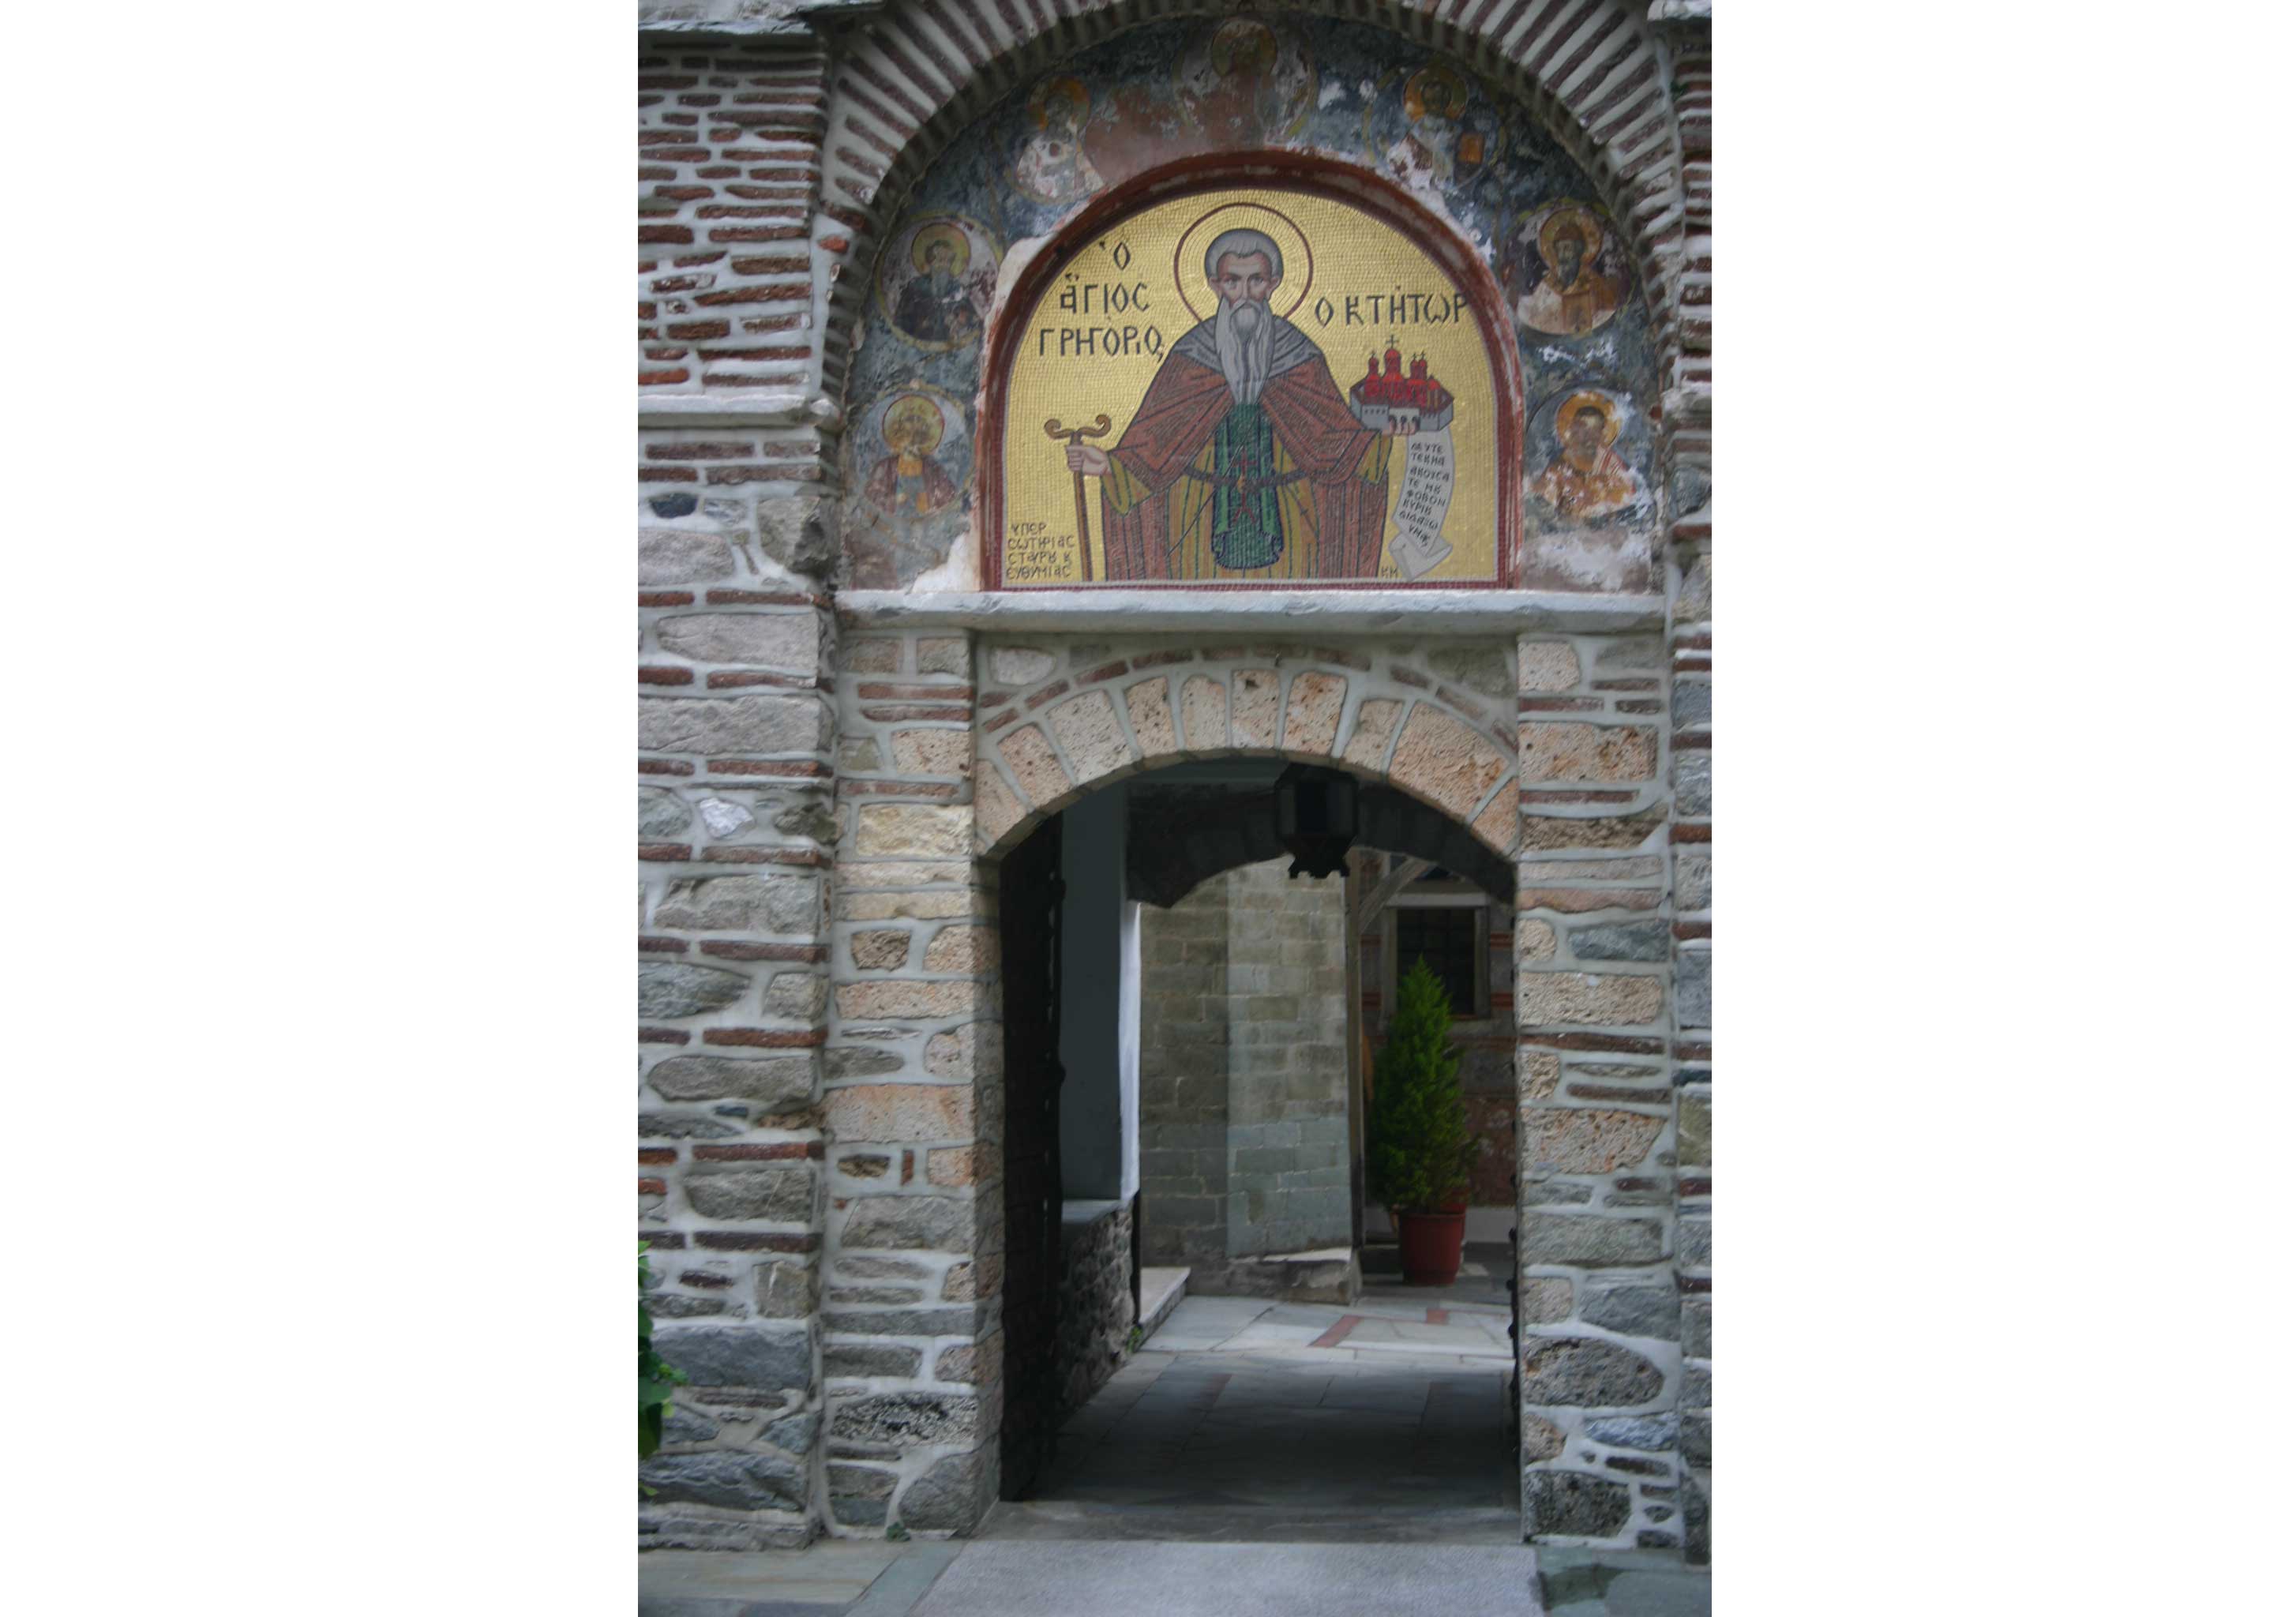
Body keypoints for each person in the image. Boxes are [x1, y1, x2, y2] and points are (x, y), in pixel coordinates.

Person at [1066, 227, 1411, 580]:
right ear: (1215, 285)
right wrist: (1110, 465)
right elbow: (1156, 440)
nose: (1245, 295)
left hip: (1293, 525)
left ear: (1273, 283)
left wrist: (1378, 438)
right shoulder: (1191, 356)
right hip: (1196, 527)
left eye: (1256, 281)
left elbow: (1333, 438)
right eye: (1233, 282)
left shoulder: (1299, 354)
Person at [1530, 392, 1642, 520]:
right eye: (1584, 430)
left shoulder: (1613, 466)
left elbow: (1625, 501)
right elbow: (1543, 503)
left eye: (1595, 430)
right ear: (1572, 432)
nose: (1590, 438)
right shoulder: (1557, 470)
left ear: (1603, 434)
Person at [1516, 207, 1623, 336]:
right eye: (1558, 249)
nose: (1562, 255)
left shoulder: (1596, 284)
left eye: (1567, 248)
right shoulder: (1547, 284)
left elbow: (1609, 308)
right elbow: (1532, 313)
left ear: (1579, 250)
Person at [863, 396, 959, 520]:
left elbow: (948, 496)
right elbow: (872, 496)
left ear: (925, 439)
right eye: (907, 436)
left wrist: (931, 502)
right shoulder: (885, 467)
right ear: (898, 438)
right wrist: (893, 499)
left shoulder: (933, 469)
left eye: (917, 437)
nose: (912, 443)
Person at [892, 227, 981, 347]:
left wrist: (961, 318)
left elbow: (973, 320)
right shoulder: (915, 287)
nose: (944, 265)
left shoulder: (957, 289)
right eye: (940, 259)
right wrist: (919, 323)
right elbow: (901, 321)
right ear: (930, 261)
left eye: (948, 261)